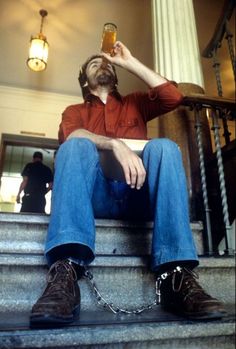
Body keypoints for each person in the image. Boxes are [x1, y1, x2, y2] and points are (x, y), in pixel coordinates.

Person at [30, 41, 226, 327]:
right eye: (95, 64)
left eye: (107, 64)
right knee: (74, 147)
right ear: (85, 79)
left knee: (164, 148)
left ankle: (175, 274)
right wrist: (114, 144)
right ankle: (66, 270)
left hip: (137, 193)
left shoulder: (135, 102)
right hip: (95, 197)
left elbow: (173, 96)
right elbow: (71, 136)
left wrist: (129, 61)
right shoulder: (74, 110)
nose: (103, 65)